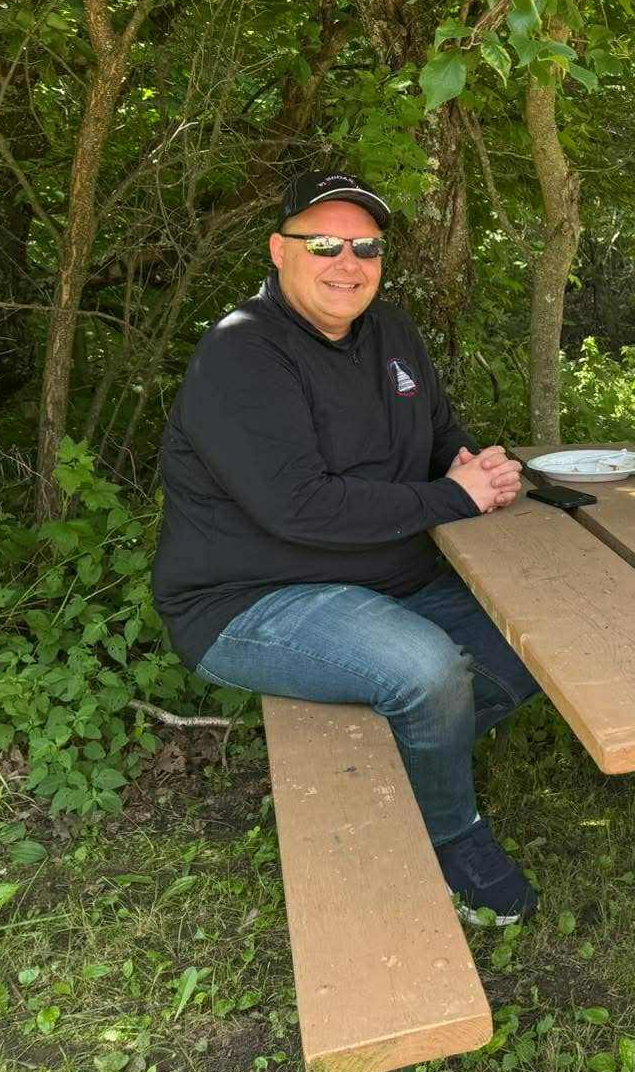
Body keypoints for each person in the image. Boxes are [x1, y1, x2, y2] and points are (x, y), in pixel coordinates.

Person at [152, 169, 543, 926]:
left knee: (542, 631)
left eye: (366, 246)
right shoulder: (242, 354)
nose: (347, 262)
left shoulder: (391, 333)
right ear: (278, 250)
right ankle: (451, 835)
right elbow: (297, 506)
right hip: (252, 596)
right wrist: (452, 498)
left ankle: (411, 756)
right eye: (324, 243)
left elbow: (437, 435)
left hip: (389, 575)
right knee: (426, 670)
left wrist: (473, 466)